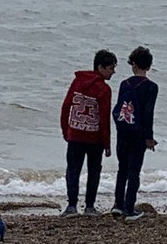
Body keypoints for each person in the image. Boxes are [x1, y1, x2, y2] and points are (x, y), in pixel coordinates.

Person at [58, 50, 116, 217]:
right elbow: (104, 117)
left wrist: (66, 130)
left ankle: (72, 206)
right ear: (100, 67)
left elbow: (66, 106)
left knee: (73, 170)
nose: (113, 72)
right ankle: (89, 206)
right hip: (94, 138)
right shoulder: (104, 89)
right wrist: (107, 143)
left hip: (75, 134)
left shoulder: (77, 81)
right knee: (93, 170)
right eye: (111, 68)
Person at [111, 46, 158, 221]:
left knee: (122, 169)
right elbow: (148, 113)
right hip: (138, 134)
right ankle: (130, 208)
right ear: (148, 66)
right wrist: (149, 137)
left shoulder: (124, 84)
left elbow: (120, 109)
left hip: (123, 131)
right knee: (134, 171)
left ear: (134, 64)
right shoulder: (151, 87)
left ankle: (118, 205)